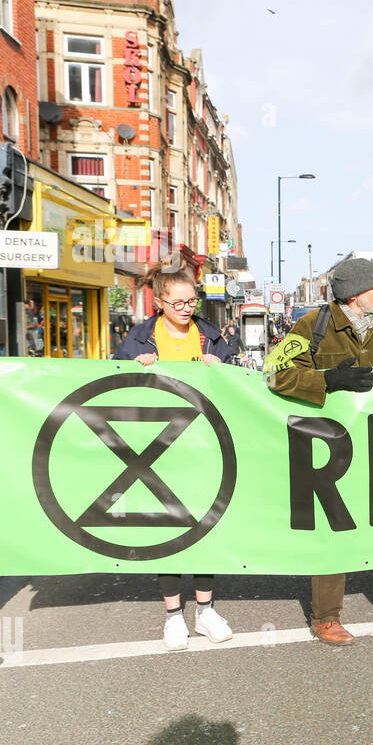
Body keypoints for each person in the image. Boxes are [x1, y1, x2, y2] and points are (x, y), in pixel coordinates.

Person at [268, 258, 373, 642]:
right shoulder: (312, 326)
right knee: (335, 528)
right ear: (355, 293)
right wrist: (327, 380)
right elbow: (276, 374)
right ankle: (325, 617)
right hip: (330, 448)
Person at [115, 267, 235, 650]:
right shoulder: (138, 338)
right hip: (155, 450)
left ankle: (206, 611)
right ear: (159, 302)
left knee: (205, 527)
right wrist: (136, 367)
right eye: (178, 302)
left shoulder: (211, 336)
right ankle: (172, 617)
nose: (186, 308)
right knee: (166, 531)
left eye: (191, 301)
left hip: (204, 446)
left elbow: (234, 392)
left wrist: (222, 371)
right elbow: (116, 389)